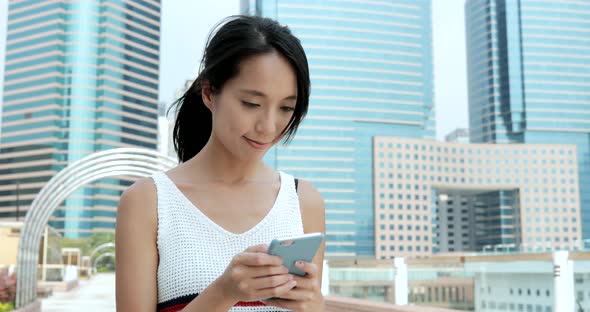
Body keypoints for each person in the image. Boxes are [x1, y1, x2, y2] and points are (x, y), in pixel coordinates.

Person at [115, 15, 326, 312]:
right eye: (251, 104)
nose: (268, 126)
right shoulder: (148, 202)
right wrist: (224, 293)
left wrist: (314, 306)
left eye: (286, 108)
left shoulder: (303, 201)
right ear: (209, 93)